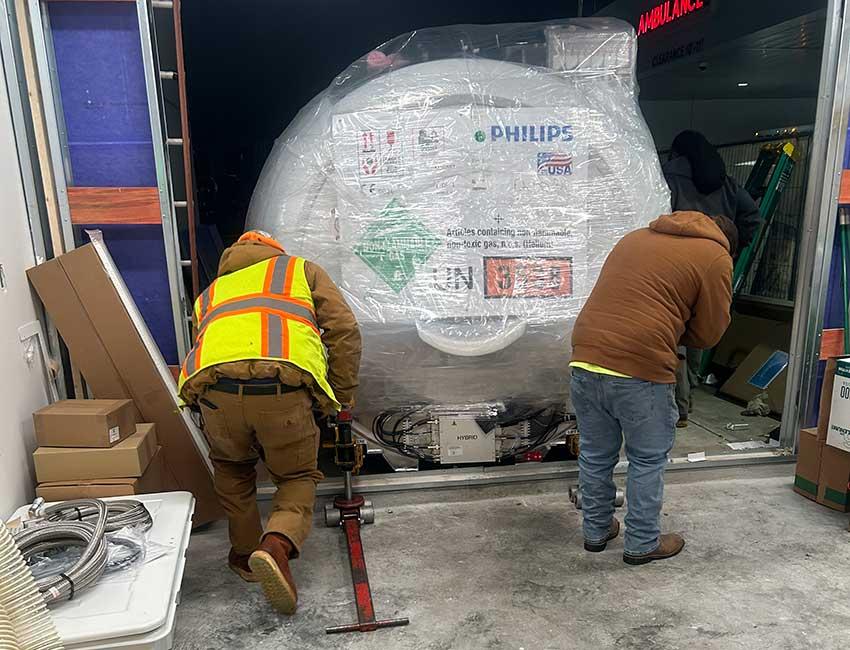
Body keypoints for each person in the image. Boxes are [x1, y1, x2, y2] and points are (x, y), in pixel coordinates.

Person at [177, 230, 361, 614]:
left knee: (232, 467)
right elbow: (343, 330)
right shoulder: (300, 271)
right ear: (274, 253)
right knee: (295, 476)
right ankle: (275, 545)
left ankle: (245, 556)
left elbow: (205, 342)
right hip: (281, 389)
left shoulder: (211, 292)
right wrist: (340, 397)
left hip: (215, 393)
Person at [570, 211, 736, 565]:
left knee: (597, 454)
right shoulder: (715, 257)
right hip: (640, 365)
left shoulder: (636, 237)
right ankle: (642, 543)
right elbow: (708, 334)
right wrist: (674, 329)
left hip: (585, 354)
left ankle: (596, 531)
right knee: (646, 458)